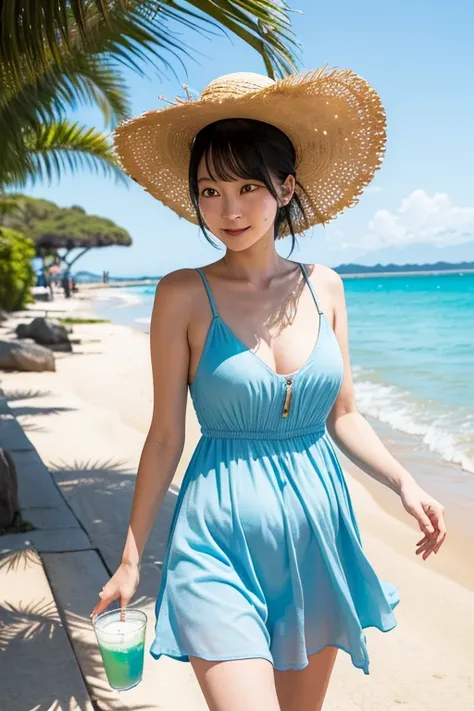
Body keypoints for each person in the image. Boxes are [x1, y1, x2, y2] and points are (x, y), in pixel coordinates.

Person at [91, 69, 446, 710]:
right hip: (214, 538)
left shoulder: (326, 286)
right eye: (210, 190)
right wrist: (129, 558)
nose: (228, 209)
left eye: (248, 186)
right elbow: (166, 434)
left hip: (318, 532)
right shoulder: (180, 294)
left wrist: (406, 482)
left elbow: (344, 417)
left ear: (284, 189)